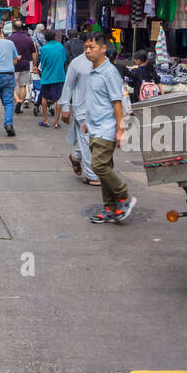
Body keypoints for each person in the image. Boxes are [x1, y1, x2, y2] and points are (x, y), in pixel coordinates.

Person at [83, 33, 136, 225]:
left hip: (107, 128)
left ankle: (124, 196)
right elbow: (97, 100)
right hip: (94, 127)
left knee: (98, 165)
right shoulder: (93, 70)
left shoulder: (109, 72)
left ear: (103, 48)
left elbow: (117, 102)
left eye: (92, 47)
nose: (88, 51)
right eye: (86, 47)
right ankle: (110, 209)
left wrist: (121, 129)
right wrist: (87, 121)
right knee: (105, 168)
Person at [58, 47, 98, 184]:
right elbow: (68, 85)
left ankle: (76, 157)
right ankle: (91, 175)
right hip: (82, 109)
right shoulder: (77, 63)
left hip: (100, 109)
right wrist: (65, 107)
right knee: (87, 140)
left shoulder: (105, 63)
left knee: (96, 139)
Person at [34, 28, 67, 128]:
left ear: (45, 38)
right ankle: (56, 123)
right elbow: (64, 59)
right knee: (58, 99)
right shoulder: (60, 46)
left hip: (47, 76)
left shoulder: (44, 48)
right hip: (59, 76)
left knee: (44, 97)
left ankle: (45, 120)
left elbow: (42, 64)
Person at [9, 19, 36, 114]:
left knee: (11, 85)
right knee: (23, 85)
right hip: (25, 64)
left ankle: (17, 101)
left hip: (13, 65)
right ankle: (20, 106)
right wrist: (35, 65)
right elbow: (34, 53)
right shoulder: (28, 38)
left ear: (13, 27)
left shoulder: (10, 39)